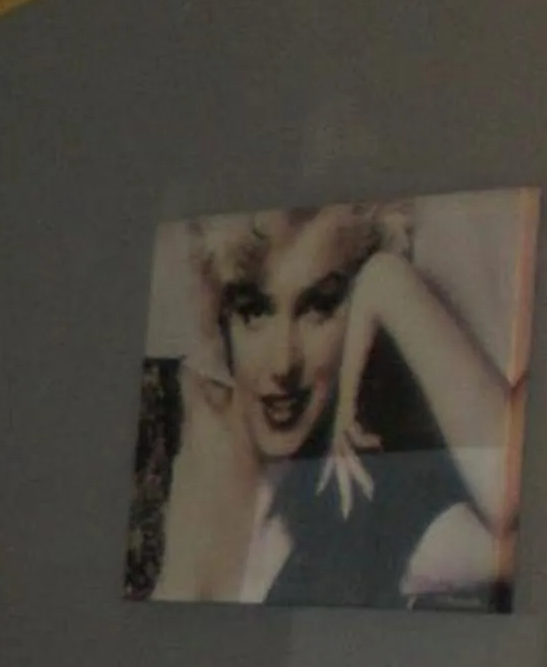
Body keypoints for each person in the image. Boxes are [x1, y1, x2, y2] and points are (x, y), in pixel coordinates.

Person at [140, 202, 523, 610]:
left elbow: (521, 512)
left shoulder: (381, 506)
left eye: (319, 308)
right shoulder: (165, 436)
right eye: (254, 311)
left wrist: (386, 281)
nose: (284, 362)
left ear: (361, 319)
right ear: (222, 321)